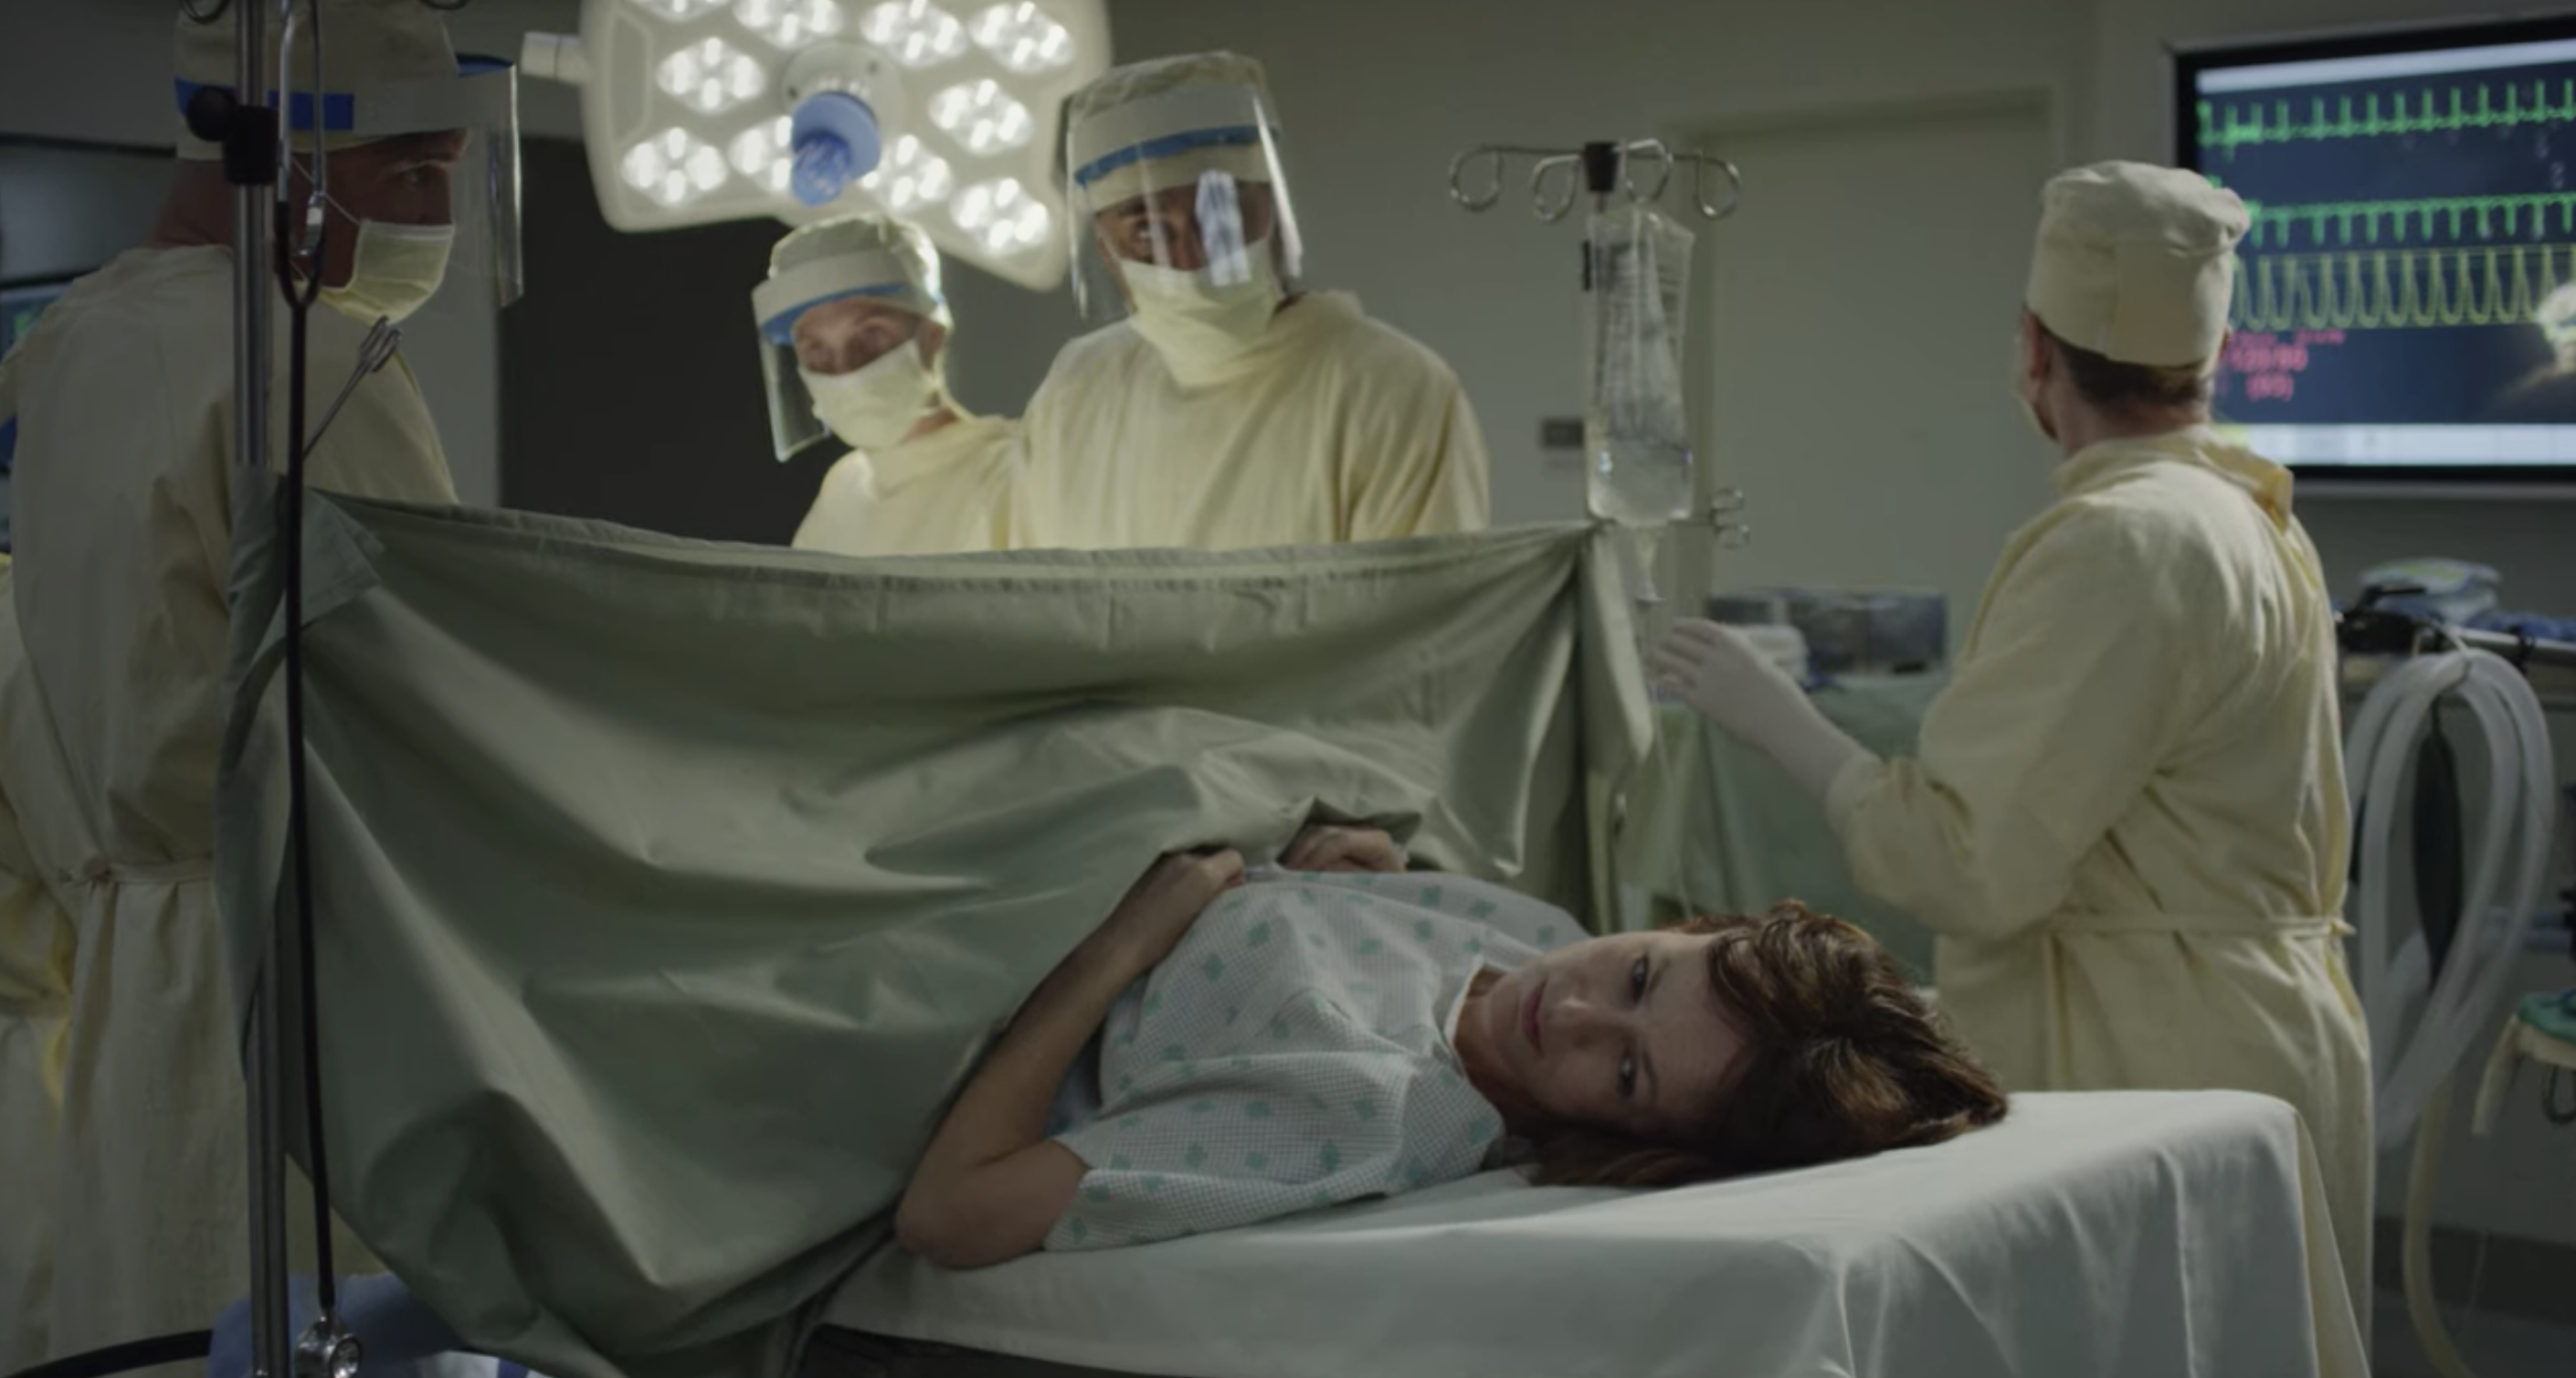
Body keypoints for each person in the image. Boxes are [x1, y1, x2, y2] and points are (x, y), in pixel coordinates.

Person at [1647, 162, 2372, 1321]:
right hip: (2242, 1028)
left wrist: (1783, 725)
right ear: (2207, 358)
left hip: (2153, 1053)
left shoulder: (2124, 538)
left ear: (2033, 350)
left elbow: (1968, 864)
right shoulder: (2243, 514)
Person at [0, 1, 521, 1364]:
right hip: (299, 973)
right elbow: (433, 695)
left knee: (165, 1336)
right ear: (273, 152)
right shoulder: (305, 352)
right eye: (407, 174)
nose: (432, 217)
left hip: (140, 992)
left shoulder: (71, 344)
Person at [895, 824, 2007, 1267]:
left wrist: (1123, 941)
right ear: (1683, 927)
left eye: (1623, 1070)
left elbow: (950, 1213)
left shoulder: (1373, 1108)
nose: (1568, 1012)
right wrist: (1387, 871)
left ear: (1628, 1137)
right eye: (1637, 975)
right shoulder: (1540, 938)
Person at [1008, 51, 1492, 551]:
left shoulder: (1388, 389)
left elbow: (1421, 617)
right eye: (1146, 230)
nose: (1190, 257)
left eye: (1220, 211)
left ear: (1273, 210)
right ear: (1105, 249)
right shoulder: (1076, 395)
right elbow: (1034, 608)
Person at [752, 214, 1019, 556]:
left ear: (932, 335)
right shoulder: (842, 491)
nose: (845, 370)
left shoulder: (1009, 471)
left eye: (871, 335)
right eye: (816, 350)